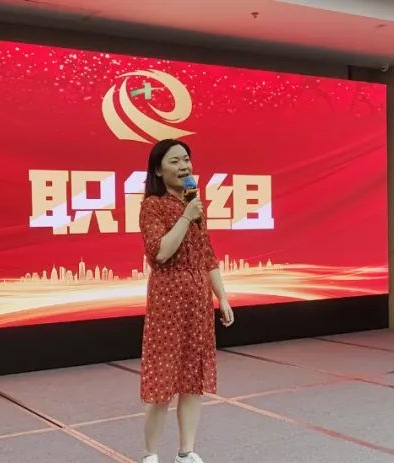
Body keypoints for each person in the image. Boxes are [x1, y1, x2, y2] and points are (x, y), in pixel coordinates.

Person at [138, 139, 234, 463]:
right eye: (175, 161)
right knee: (162, 382)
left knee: (193, 381)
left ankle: (186, 452)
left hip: (197, 304)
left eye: (186, 160)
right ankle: (151, 455)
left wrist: (222, 297)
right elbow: (160, 252)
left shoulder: (194, 205)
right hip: (167, 303)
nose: (184, 167)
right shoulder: (153, 206)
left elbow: (207, 255)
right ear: (158, 170)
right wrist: (185, 216)